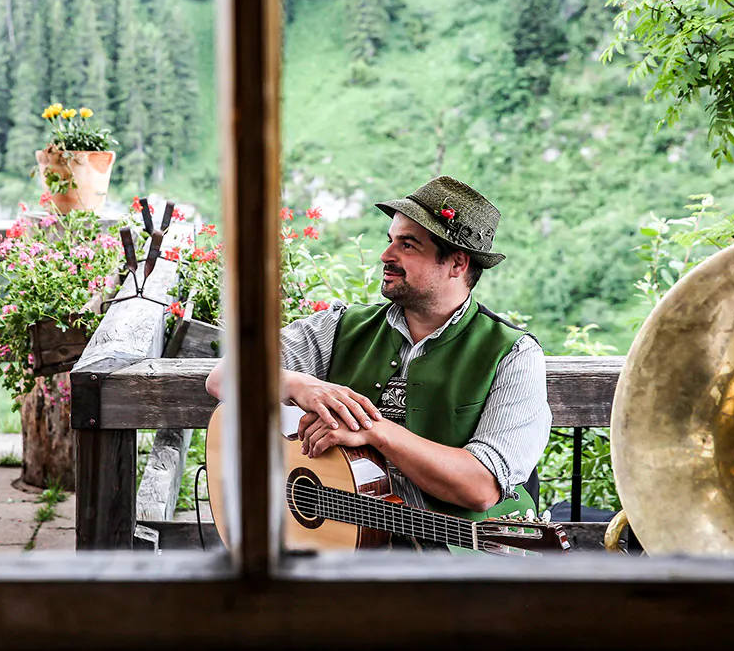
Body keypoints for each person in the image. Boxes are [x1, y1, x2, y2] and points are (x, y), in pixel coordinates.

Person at [207, 176, 550, 529]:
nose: (386, 256)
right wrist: (298, 385)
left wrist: (374, 430)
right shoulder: (340, 326)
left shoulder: (514, 354)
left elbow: (481, 487)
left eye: (408, 245)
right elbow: (221, 378)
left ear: (458, 264)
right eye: (390, 241)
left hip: (456, 554)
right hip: (349, 543)